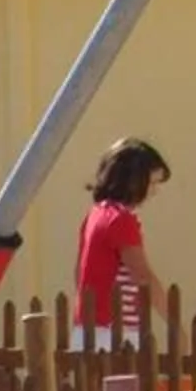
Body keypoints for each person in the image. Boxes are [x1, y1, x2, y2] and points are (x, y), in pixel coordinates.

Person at [75, 138, 169, 352]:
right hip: (114, 333)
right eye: (152, 183)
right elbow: (143, 276)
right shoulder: (121, 220)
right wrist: (173, 324)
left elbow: (78, 273)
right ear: (135, 180)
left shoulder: (95, 215)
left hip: (88, 328)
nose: (154, 191)